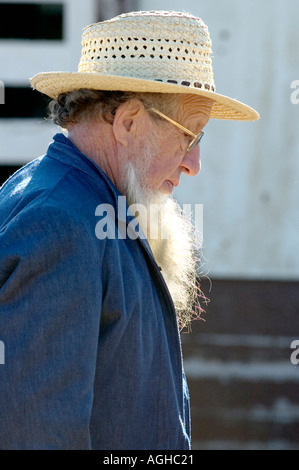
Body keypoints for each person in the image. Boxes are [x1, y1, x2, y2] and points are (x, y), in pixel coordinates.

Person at [0, 11, 259, 450]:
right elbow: (38, 435)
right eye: (190, 137)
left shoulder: (87, 201)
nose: (193, 165)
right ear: (128, 123)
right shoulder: (61, 223)